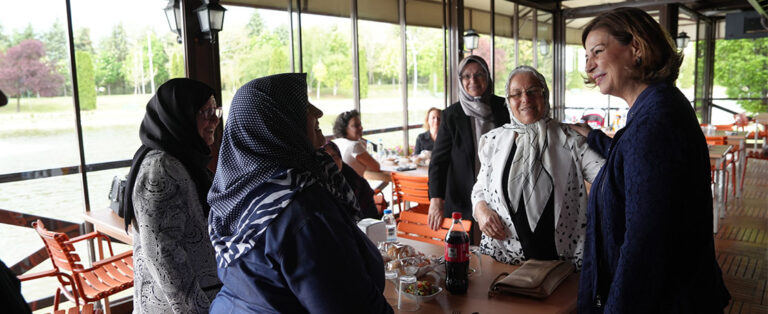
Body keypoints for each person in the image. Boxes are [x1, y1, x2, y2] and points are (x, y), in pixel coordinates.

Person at [570, 7, 730, 312]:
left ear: (636, 48)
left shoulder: (655, 122)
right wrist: (593, 137)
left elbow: (643, 247)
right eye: (587, 56)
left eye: (598, 51)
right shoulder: (658, 107)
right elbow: (634, 161)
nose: (589, 66)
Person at [207, 73, 392, 313]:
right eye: (303, 105)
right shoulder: (302, 211)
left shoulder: (234, 198)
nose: (318, 112)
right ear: (276, 122)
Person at [471, 66, 604, 268]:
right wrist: (480, 210)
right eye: (516, 94)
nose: (525, 99)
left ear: (545, 95)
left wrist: (599, 140)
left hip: (557, 262)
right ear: (508, 101)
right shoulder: (493, 141)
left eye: (532, 91)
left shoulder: (570, 139)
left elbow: (608, 175)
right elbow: (480, 187)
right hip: (503, 259)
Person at [123, 78, 222, 313]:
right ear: (179, 115)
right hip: (180, 306)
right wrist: (197, 310)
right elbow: (162, 254)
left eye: (215, 110)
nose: (215, 120)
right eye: (206, 112)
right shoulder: (160, 168)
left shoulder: (181, 159)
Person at [428, 55, 510, 234]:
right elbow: (438, 162)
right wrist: (436, 199)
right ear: (460, 80)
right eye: (466, 76)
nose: (473, 80)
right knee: (465, 250)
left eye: (479, 74)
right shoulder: (451, 115)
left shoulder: (504, 107)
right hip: (462, 196)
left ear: (488, 77)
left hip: (501, 194)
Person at [324, 141, 382, 219]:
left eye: (334, 156)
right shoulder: (317, 190)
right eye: (326, 158)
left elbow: (372, 220)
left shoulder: (357, 183)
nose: (332, 162)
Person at [332, 110, 380, 177]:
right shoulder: (355, 145)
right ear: (344, 128)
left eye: (360, 125)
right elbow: (376, 167)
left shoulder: (336, 142)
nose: (361, 128)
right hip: (353, 186)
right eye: (356, 126)